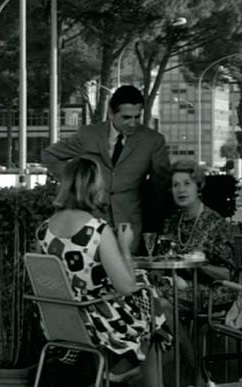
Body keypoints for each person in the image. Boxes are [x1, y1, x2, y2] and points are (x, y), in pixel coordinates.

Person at [36, 157, 168, 386]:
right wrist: (125, 247)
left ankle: (126, 366)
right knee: (154, 304)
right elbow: (126, 287)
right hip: (96, 321)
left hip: (59, 320)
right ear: (94, 186)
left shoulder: (43, 231)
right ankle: (125, 368)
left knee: (151, 301)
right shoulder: (97, 231)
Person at [41, 85, 171, 251]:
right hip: (88, 223)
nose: (133, 123)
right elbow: (50, 156)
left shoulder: (153, 140)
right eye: (126, 117)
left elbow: (160, 184)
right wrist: (78, 182)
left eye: (137, 117)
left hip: (130, 224)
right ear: (111, 112)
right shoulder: (88, 134)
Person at [157, 160, 236, 308]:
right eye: (176, 185)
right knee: (146, 290)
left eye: (187, 183)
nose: (181, 190)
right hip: (178, 285)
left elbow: (227, 274)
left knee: (159, 299)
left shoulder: (216, 223)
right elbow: (163, 260)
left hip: (213, 290)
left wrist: (199, 265)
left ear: (198, 187)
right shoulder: (172, 222)